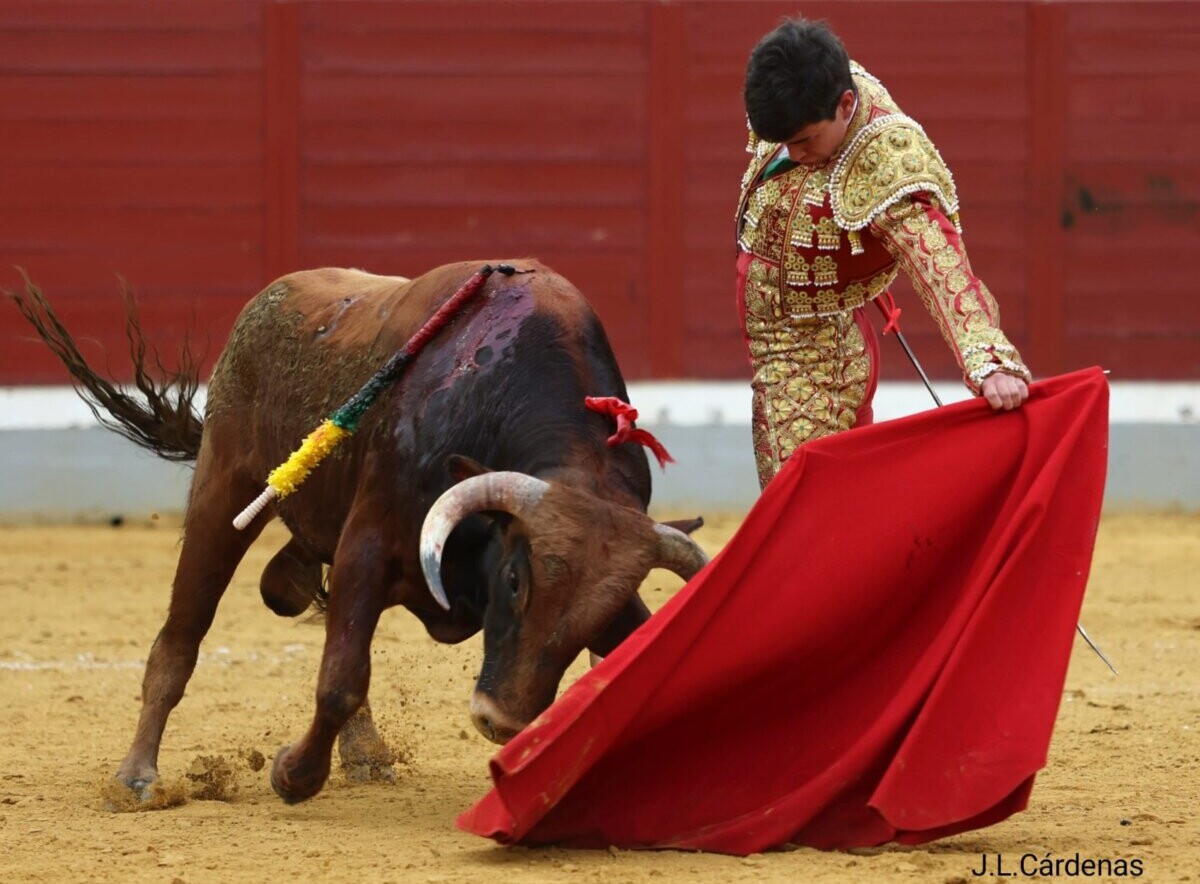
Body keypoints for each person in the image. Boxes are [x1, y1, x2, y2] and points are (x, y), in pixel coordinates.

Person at [737, 18, 1031, 488]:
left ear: (846, 104)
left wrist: (989, 361)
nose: (792, 154)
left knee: (798, 510)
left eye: (805, 140)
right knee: (829, 505)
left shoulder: (884, 161)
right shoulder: (809, 81)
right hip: (797, 344)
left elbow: (937, 259)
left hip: (814, 357)